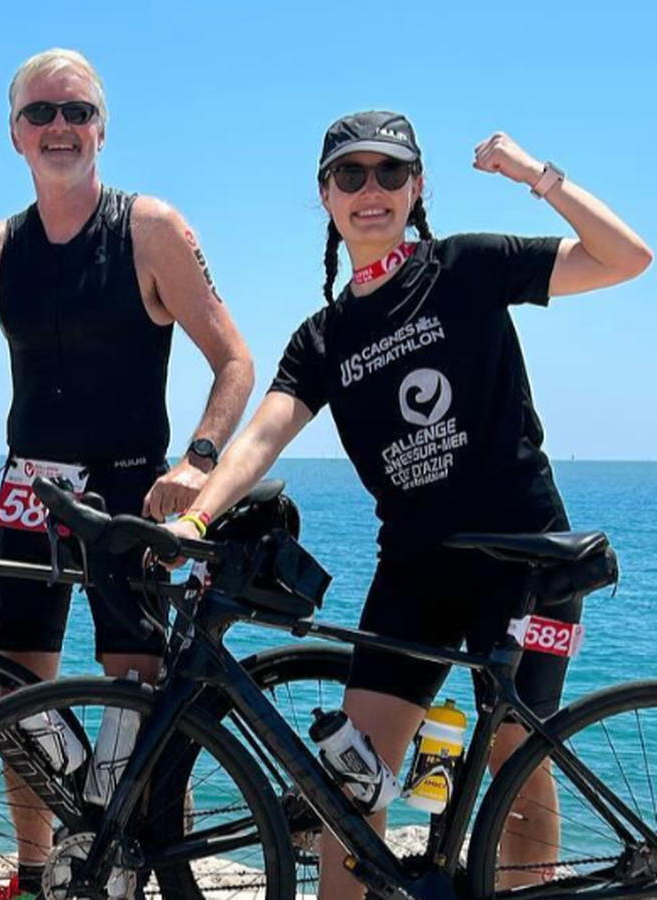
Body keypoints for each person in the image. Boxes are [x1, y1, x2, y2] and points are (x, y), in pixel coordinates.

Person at [166, 110, 652, 899]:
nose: (371, 190)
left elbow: (626, 257)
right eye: (350, 175)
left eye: (390, 172)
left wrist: (536, 176)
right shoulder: (324, 337)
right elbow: (261, 438)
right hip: (416, 567)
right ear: (325, 194)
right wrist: (195, 516)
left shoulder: (465, 266)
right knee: (352, 777)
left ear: (417, 187)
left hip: (525, 559)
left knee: (516, 765)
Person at [0, 48, 254, 899]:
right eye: (40, 113)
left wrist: (198, 462)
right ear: (14, 134)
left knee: (137, 699)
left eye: (76, 111)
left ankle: (141, 869)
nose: (59, 127)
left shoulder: (150, 229)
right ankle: (37, 870)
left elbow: (234, 359)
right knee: (14, 698)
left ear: (102, 129)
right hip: (31, 490)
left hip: (129, 492)